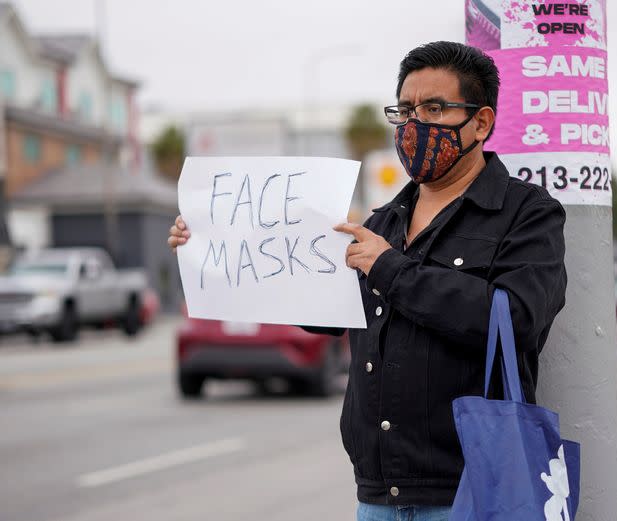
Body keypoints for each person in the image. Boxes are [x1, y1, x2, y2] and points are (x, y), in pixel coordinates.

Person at [168, 41, 567, 521]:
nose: (414, 124)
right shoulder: (382, 224)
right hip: (377, 496)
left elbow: (519, 319)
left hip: (474, 491)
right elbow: (322, 311)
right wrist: (207, 245)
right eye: (405, 110)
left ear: (480, 122)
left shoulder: (526, 213)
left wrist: (390, 269)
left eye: (434, 108)